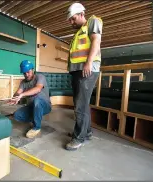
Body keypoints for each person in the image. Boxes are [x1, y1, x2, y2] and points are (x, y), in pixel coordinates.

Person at [65, 3, 103, 150]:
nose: (71, 22)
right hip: (78, 71)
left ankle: (79, 138)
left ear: (81, 14)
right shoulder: (80, 31)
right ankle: (85, 132)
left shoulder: (93, 21)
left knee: (80, 106)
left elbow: (96, 41)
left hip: (86, 70)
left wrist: (88, 63)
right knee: (82, 104)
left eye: (73, 19)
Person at [9, 60, 52, 138]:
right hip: (31, 106)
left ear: (32, 70)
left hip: (45, 105)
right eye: (24, 73)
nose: (26, 74)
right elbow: (17, 93)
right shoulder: (23, 82)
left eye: (28, 72)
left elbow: (38, 89)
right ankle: (36, 116)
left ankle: (36, 127)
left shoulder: (40, 77)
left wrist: (22, 94)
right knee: (17, 115)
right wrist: (15, 97)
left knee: (37, 100)